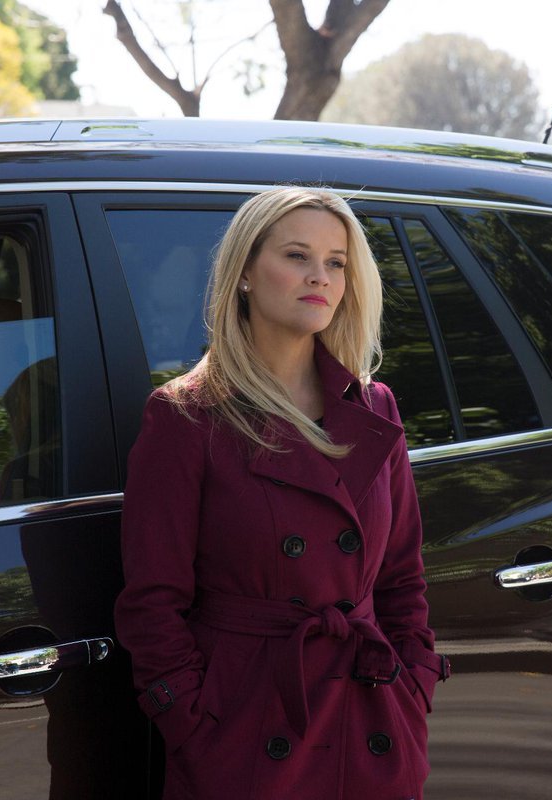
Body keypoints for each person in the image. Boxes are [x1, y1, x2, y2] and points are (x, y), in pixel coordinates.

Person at [114, 187, 448, 800]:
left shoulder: (374, 407)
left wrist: (414, 685)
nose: (319, 276)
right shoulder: (188, 415)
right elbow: (152, 604)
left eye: (336, 262)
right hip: (249, 739)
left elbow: (402, 577)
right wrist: (195, 723)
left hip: (372, 724)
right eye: (297, 256)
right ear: (244, 272)